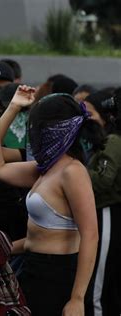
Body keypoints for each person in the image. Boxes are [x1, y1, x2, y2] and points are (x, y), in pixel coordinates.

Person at [0, 84, 100, 315]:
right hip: (32, 268)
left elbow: (90, 234)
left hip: (58, 276)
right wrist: (6, 110)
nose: (34, 134)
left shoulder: (73, 171)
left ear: (57, 130)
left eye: (39, 128)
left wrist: (77, 298)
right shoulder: (43, 169)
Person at [84, 89, 121, 316]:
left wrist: (76, 172)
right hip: (109, 213)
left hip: (107, 212)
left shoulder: (114, 141)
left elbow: (104, 180)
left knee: (99, 280)